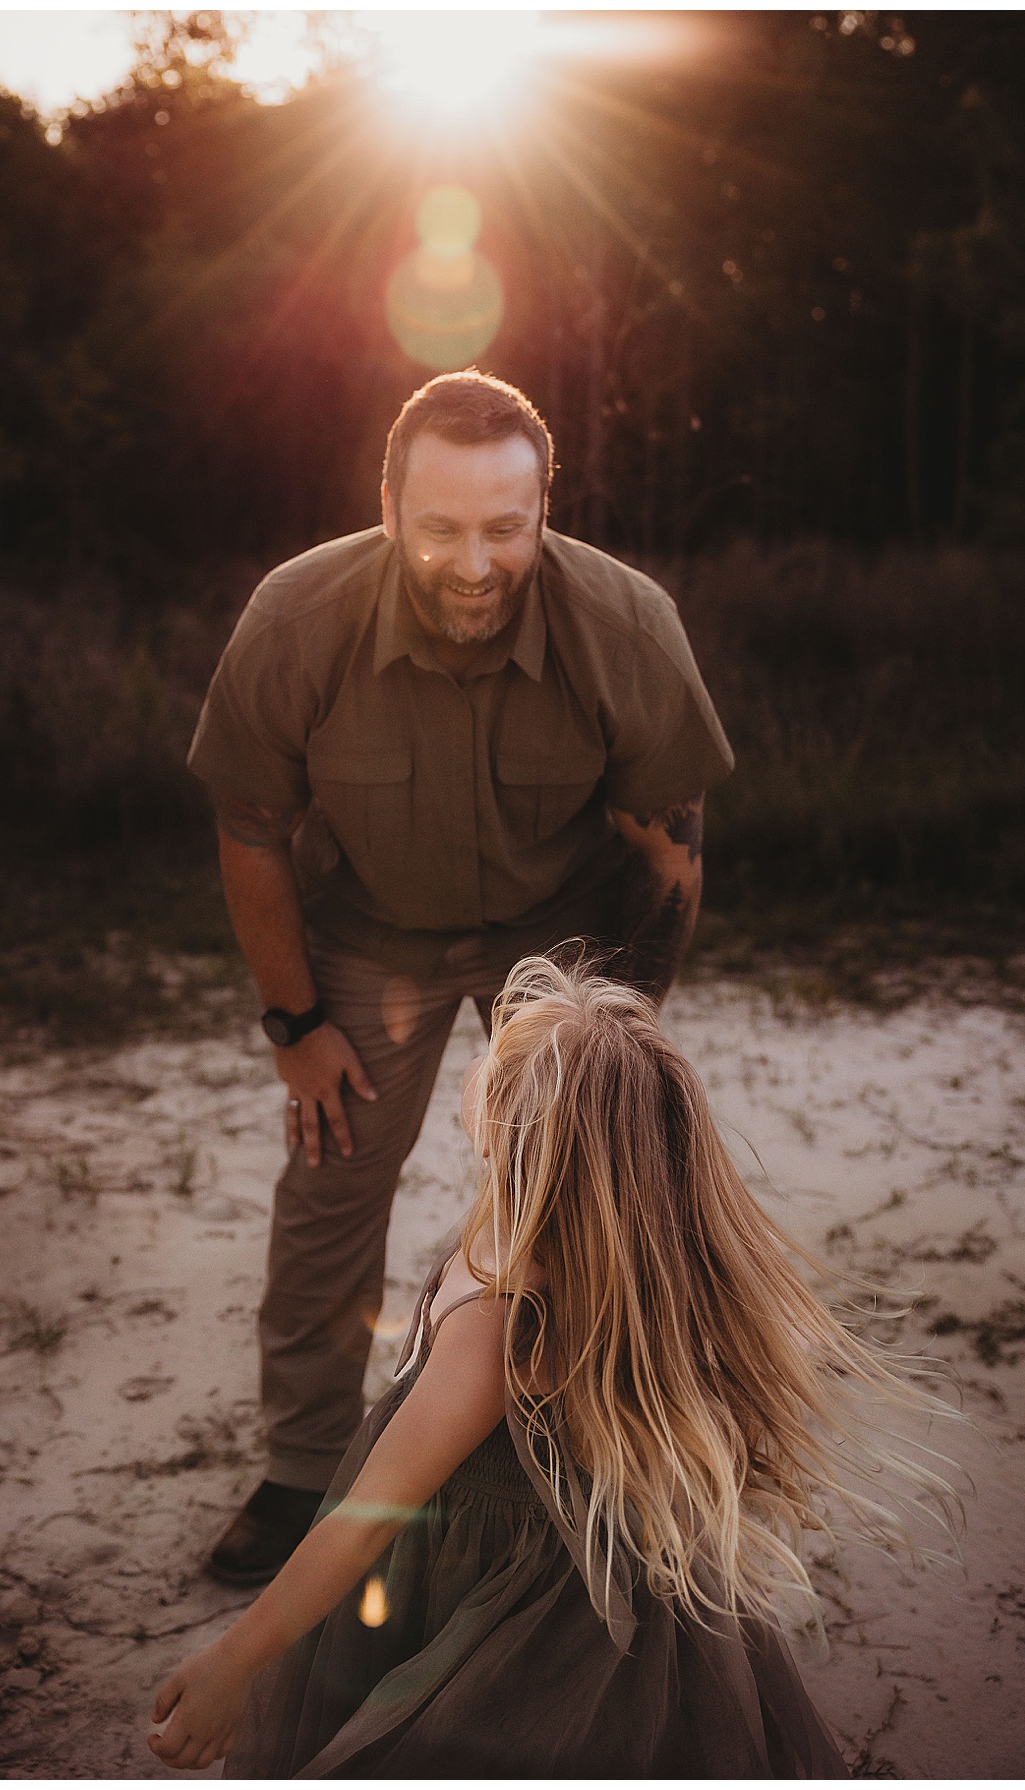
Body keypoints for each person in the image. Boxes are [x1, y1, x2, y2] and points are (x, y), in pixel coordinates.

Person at [187, 370, 735, 1583]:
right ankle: (298, 1470)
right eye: (439, 526)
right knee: (330, 1176)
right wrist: (295, 1023)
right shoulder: (294, 620)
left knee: (598, 1177)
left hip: (562, 930)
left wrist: (613, 1040)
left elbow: (669, 851)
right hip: (370, 930)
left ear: (547, 507)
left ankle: (605, 1439)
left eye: (505, 525)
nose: (473, 560)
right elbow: (252, 829)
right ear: (387, 506)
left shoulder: (626, 625)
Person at [147, 956, 954, 1776]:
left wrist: (236, 1662)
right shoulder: (587, 1243)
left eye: (500, 1057)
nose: (480, 1057)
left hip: (517, 1614)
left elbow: (366, 1523)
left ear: (515, 1127)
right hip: (542, 1568)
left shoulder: (505, 1319)